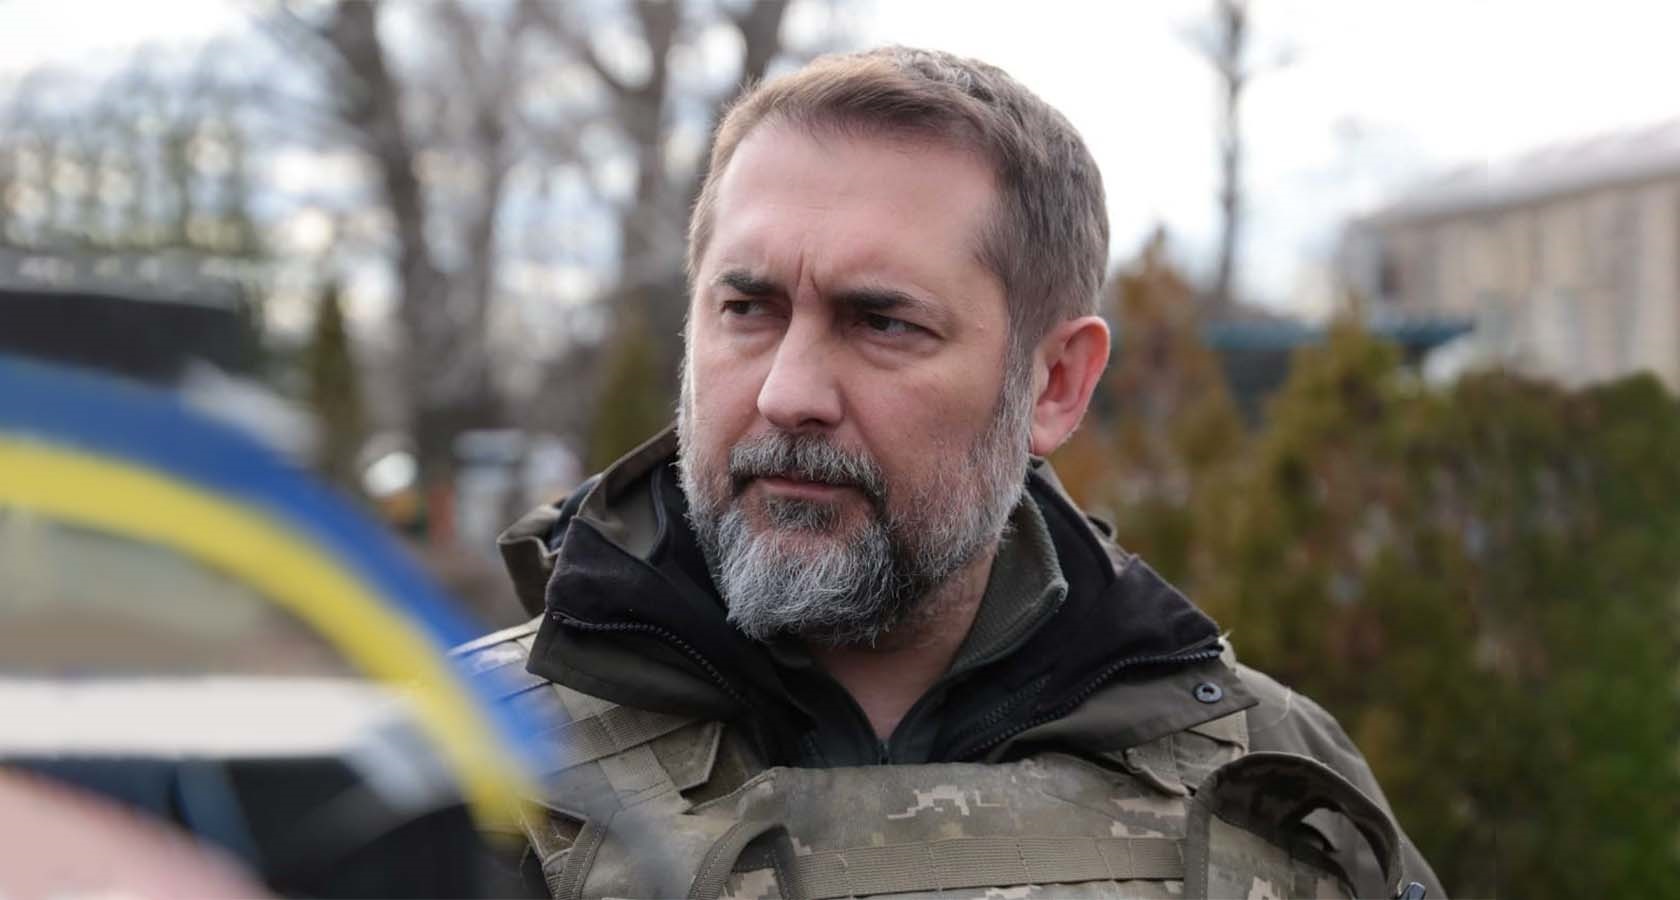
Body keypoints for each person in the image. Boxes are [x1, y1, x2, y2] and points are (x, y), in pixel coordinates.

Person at [459, 46, 1443, 900]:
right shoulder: (461, 771)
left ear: (1054, 383)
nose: (787, 393)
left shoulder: (1275, 788)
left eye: (883, 322)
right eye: (747, 310)